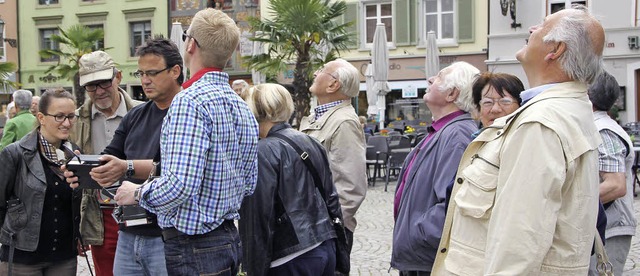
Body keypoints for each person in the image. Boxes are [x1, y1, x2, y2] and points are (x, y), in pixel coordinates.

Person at [433, 5, 604, 275]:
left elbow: (520, 241)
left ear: (555, 49)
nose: (532, 29)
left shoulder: (540, 122)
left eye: (542, 25)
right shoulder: (563, 109)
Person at [113, 8, 259, 275]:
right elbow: (249, 183)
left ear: (190, 45)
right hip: (226, 238)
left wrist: (135, 193)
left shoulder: (188, 101)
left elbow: (180, 186)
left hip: (193, 245)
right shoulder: (241, 105)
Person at [64, 37, 183, 275]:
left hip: (168, 231)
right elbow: (109, 157)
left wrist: (126, 167)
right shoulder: (135, 115)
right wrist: (80, 168)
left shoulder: (188, 111)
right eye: (141, 73)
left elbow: (178, 169)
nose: (145, 80)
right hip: (125, 226)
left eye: (152, 72)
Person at [239, 83, 342, 275]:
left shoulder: (261, 152)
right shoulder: (310, 141)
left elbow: (258, 218)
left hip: (290, 256)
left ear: (253, 110)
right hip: (324, 245)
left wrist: (252, 269)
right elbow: (332, 198)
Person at [390, 61, 479, 274]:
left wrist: (417, 234)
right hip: (422, 257)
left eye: (439, 77)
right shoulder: (445, 130)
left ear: (451, 94)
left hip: (428, 259)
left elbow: (451, 202)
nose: (430, 79)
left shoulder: (456, 135)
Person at [70, 50, 142, 276]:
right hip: (99, 213)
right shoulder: (76, 120)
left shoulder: (143, 112)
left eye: (104, 83)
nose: (99, 91)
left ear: (118, 77)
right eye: (91, 86)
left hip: (140, 209)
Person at [0, 89, 81, 275]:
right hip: (22, 257)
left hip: (63, 256)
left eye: (70, 116)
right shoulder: (14, 154)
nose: (67, 123)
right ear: (41, 117)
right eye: (59, 116)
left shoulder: (74, 153)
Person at [299, 58, 367, 266]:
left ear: (333, 84)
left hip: (326, 231)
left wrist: (331, 226)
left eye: (321, 71)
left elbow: (351, 186)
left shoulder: (344, 122)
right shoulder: (317, 117)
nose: (314, 74)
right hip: (312, 226)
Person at [587, 71, 637, 276]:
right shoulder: (598, 126)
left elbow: (615, 185)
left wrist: (571, 204)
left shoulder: (602, 130)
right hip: (605, 224)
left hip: (611, 227)